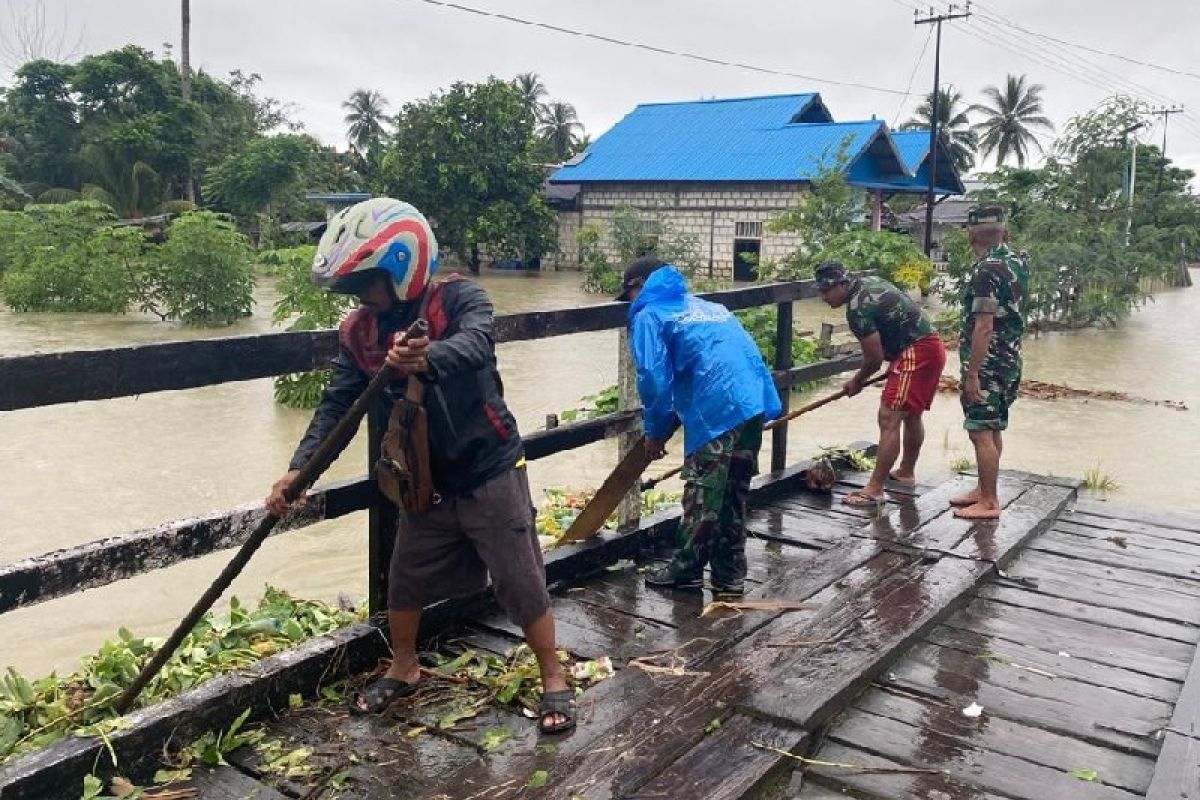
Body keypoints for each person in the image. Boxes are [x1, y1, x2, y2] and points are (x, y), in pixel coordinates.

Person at [265, 198, 573, 733]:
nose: (361, 297)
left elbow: (476, 345)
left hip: (487, 468)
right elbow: (338, 406)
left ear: (402, 266)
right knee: (404, 578)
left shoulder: (458, 297)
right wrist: (300, 470)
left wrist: (426, 359)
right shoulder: (360, 333)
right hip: (423, 482)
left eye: (367, 282)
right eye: (353, 287)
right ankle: (404, 666)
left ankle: (553, 677)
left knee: (519, 578)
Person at [616, 257, 782, 594]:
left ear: (639, 288)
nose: (629, 304)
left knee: (703, 494)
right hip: (752, 399)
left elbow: (653, 379)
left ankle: (686, 569)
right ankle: (730, 573)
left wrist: (656, 431)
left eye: (629, 294)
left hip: (717, 407)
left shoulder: (649, 314)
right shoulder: (710, 306)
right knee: (734, 490)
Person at [814, 261, 947, 507]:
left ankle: (874, 489)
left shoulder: (857, 309)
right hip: (930, 346)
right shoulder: (870, 282)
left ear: (843, 284)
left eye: (826, 290)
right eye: (820, 290)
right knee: (912, 415)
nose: (823, 296)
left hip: (915, 352)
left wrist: (857, 381)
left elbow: (874, 359)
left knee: (889, 417)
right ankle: (906, 473)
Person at [952, 204, 1029, 519]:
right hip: (1010, 358)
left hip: (989, 362)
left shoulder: (987, 271)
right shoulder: (1016, 262)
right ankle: (984, 490)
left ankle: (989, 502)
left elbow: (984, 326)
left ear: (971, 234)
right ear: (1004, 231)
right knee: (992, 426)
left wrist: (972, 375)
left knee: (980, 431)